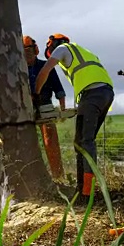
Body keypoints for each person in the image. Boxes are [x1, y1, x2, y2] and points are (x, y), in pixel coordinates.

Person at [32, 33, 114, 201]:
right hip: (106, 93)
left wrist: (35, 94)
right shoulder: (85, 52)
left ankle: (86, 192)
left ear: (52, 46)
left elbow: (45, 71)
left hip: (91, 94)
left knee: (84, 142)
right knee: (82, 141)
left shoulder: (62, 49)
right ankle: (84, 187)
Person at [24, 35, 66, 179]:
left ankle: (58, 174)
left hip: (45, 103)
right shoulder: (16, 70)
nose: (27, 55)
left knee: (50, 139)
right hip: (24, 106)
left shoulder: (45, 66)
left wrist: (63, 107)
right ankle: (33, 176)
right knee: (26, 141)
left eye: (29, 51)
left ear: (35, 50)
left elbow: (58, 89)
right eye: (24, 52)